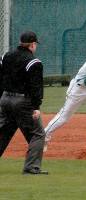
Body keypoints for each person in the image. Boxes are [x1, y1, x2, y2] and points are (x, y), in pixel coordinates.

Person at [0, 31, 48, 174]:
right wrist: (36, 107)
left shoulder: (6, 56)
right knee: (38, 134)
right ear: (32, 44)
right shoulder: (34, 62)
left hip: (5, 99)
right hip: (22, 102)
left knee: (3, 132)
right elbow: (35, 87)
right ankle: (31, 167)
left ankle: (31, 166)